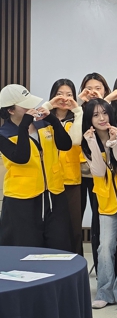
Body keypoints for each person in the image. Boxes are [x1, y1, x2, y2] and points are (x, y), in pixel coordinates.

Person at [0, 84, 73, 251]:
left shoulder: (43, 124)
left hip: (53, 194)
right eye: (24, 105)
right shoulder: (4, 134)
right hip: (22, 199)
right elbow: (21, 157)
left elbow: (65, 145)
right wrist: (24, 127)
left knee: (59, 245)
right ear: (10, 110)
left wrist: (53, 120)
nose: (31, 107)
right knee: (27, 248)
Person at [82, 99, 117, 310]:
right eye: (96, 115)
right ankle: (104, 291)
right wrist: (94, 144)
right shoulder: (87, 142)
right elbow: (98, 171)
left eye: (104, 113)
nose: (102, 118)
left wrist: (115, 143)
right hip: (106, 202)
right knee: (105, 247)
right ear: (90, 119)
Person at [79, 72, 112, 270]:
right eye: (88, 88)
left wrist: (103, 103)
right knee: (75, 221)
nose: (93, 92)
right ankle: (78, 267)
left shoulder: (108, 112)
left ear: (105, 90)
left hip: (101, 176)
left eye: (98, 88)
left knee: (99, 223)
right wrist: (79, 103)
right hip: (78, 175)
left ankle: (102, 269)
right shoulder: (78, 111)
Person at [48, 79, 85, 255]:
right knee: (52, 226)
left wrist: (78, 111)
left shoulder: (77, 118)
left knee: (73, 227)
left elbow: (75, 141)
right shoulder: (44, 119)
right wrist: (49, 106)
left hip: (71, 180)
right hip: (47, 181)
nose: (64, 98)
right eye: (60, 94)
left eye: (69, 95)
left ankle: (75, 262)